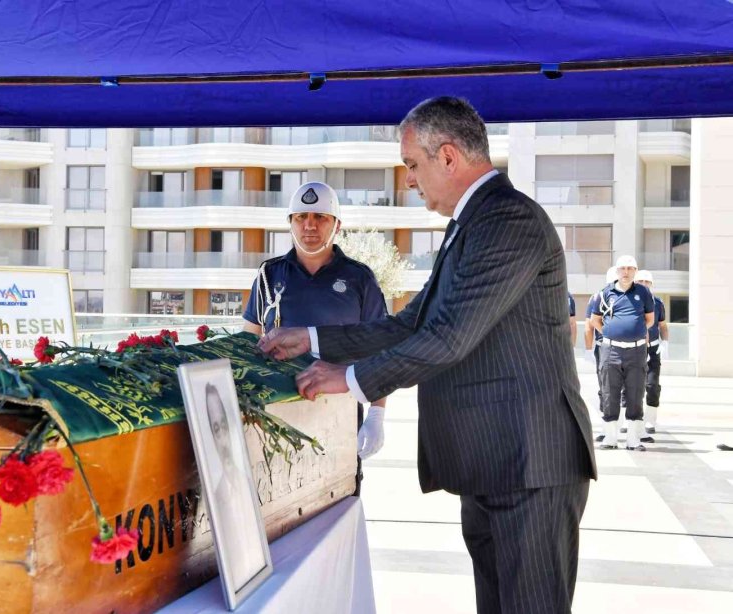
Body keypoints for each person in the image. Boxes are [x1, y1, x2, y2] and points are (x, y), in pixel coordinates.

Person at [258, 97, 596, 614]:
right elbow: (411, 322)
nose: (409, 180)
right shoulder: (471, 224)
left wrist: (350, 381)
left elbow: (448, 337)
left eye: (412, 165)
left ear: (448, 157)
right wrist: (313, 339)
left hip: (531, 465)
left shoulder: (507, 221)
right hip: (495, 463)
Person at [242, 181, 389, 466]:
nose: (310, 226)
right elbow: (248, 343)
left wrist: (376, 414)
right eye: (301, 218)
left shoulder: (360, 279)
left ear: (337, 225)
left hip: (341, 415)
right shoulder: (268, 275)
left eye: (320, 217)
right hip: (275, 419)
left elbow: (380, 349)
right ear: (290, 223)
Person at [204, 382, 267, 592]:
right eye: (215, 429)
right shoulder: (217, 489)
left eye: (223, 424)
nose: (222, 436)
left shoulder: (243, 477)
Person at [590, 255, 654, 451]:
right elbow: (595, 320)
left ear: (635, 271)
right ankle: (610, 438)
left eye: (630, 268)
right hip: (611, 351)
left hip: (636, 351)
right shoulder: (604, 293)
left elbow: (649, 319)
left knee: (635, 392)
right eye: (622, 268)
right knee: (610, 392)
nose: (626, 272)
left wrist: (634, 333)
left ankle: (633, 440)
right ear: (617, 271)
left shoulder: (643, 292)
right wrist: (612, 334)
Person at [633, 269, 667, 442]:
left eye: (647, 282)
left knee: (652, 386)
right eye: (640, 282)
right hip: (635, 349)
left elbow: (662, 325)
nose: (644, 285)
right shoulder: (631, 301)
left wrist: (665, 343)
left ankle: (650, 421)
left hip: (653, 350)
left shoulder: (658, 302)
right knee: (632, 385)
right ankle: (631, 420)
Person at [588, 267, 615, 442]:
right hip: (603, 346)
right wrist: (589, 349)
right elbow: (590, 323)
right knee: (604, 387)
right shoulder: (598, 297)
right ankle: (607, 426)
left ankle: (622, 424)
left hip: (628, 347)